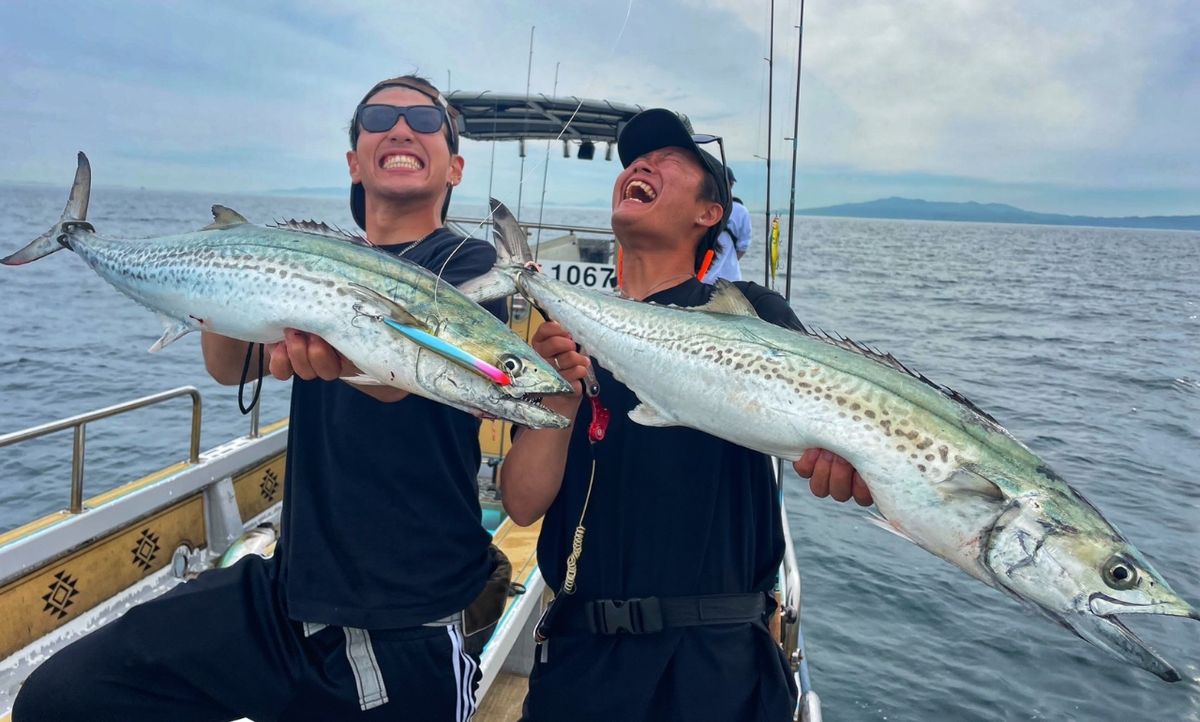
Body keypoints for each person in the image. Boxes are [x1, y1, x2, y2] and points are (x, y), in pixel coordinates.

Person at [14, 75, 498, 722]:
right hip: (288, 591)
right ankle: (75, 234)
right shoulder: (316, 257)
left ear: (455, 166)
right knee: (61, 699)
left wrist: (342, 346)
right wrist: (225, 275)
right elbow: (226, 365)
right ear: (354, 161)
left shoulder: (467, 267)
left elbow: (397, 371)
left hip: (406, 614)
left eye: (427, 120)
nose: (402, 127)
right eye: (378, 116)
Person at [500, 108, 871, 722]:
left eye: (670, 159)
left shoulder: (753, 316)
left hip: (715, 666)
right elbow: (521, 502)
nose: (641, 165)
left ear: (710, 213)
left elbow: (823, 426)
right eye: (635, 161)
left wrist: (843, 461)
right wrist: (560, 397)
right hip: (581, 661)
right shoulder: (573, 332)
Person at [701, 167, 752, 283]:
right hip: (731, 279)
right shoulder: (741, 211)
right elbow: (743, 246)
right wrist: (731, 261)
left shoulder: (700, 207)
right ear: (731, 185)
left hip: (702, 279)